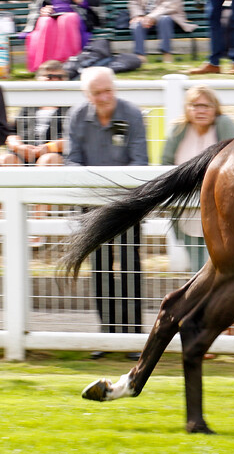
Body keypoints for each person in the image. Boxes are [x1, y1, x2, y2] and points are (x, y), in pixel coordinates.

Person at [65, 66, 148, 358]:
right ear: (88, 95)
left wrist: (111, 192)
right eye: (98, 92)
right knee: (99, 270)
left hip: (127, 205)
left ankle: (134, 339)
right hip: (92, 208)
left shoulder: (132, 114)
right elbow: (71, 161)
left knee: (129, 268)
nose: (105, 97)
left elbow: (140, 162)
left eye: (108, 89)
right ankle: (108, 335)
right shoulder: (76, 117)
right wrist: (98, 190)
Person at [162, 85, 234, 273]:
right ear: (187, 109)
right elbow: (165, 164)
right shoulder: (177, 131)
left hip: (218, 208)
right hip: (186, 208)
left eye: (206, 106)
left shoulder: (224, 125)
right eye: (195, 105)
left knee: (221, 263)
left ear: (215, 108)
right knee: (199, 265)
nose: (200, 110)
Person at [1, 60, 68, 167]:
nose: (55, 80)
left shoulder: (70, 108)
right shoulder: (29, 106)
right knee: (6, 159)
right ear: (39, 79)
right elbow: (11, 132)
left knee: (48, 160)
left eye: (59, 77)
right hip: (24, 154)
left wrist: (48, 148)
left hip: (55, 154)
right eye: (49, 76)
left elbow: (72, 138)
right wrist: (18, 147)